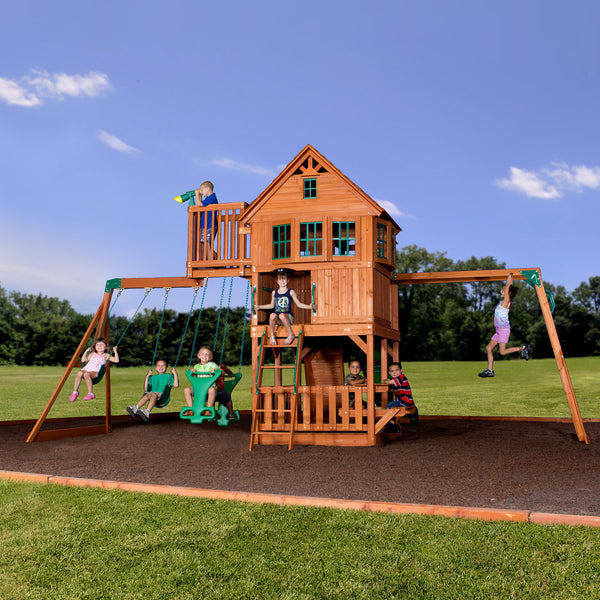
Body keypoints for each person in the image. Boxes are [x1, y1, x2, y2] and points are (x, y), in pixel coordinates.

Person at [479, 273, 531, 378]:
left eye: (503, 290)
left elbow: (508, 287)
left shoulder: (506, 301)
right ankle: (490, 370)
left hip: (503, 330)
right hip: (499, 330)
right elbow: (509, 286)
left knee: (502, 352)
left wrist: (510, 274)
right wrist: (511, 278)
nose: (501, 291)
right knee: (489, 348)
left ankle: (524, 348)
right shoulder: (504, 301)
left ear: (507, 293)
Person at [254, 269, 315, 345]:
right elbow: (271, 305)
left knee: (282, 315)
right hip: (278, 319)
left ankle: (291, 334)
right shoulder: (274, 292)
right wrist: (259, 307)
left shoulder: (290, 292)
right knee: (272, 315)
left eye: (284, 278)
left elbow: (299, 304)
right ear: (277, 281)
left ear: (288, 280)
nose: (282, 281)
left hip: (287, 317)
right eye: (280, 279)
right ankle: (272, 336)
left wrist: (309, 307)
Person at [183, 346, 236, 419]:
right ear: (198, 356)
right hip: (199, 388)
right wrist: (193, 372)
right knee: (187, 390)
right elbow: (195, 377)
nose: (205, 356)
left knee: (212, 390)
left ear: (210, 357)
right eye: (203, 354)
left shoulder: (212, 365)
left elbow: (223, 373)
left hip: (209, 388)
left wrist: (217, 371)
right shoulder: (197, 366)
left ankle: (209, 409)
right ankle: (191, 409)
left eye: (207, 354)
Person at [382, 362, 415, 432]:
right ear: (389, 373)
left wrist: (385, 381)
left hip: (405, 400)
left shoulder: (401, 377)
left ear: (401, 370)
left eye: (396, 370)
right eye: (392, 371)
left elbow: (390, 382)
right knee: (390, 407)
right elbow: (390, 381)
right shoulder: (397, 378)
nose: (394, 373)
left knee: (389, 407)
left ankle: (394, 426)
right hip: (402, 400)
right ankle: (393, 425)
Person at [193, 181, 218, 258]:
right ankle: (214, 258)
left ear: (208, 188)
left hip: (210, 225)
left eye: (202, 190)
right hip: (207, 225)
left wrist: (197, 194)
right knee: (205, 244)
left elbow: (199, 204)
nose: (201, 192)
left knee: (207, 243)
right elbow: (200, 204)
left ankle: (212, 260)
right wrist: (199, 196)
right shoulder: (208, 199)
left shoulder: (212, 198)